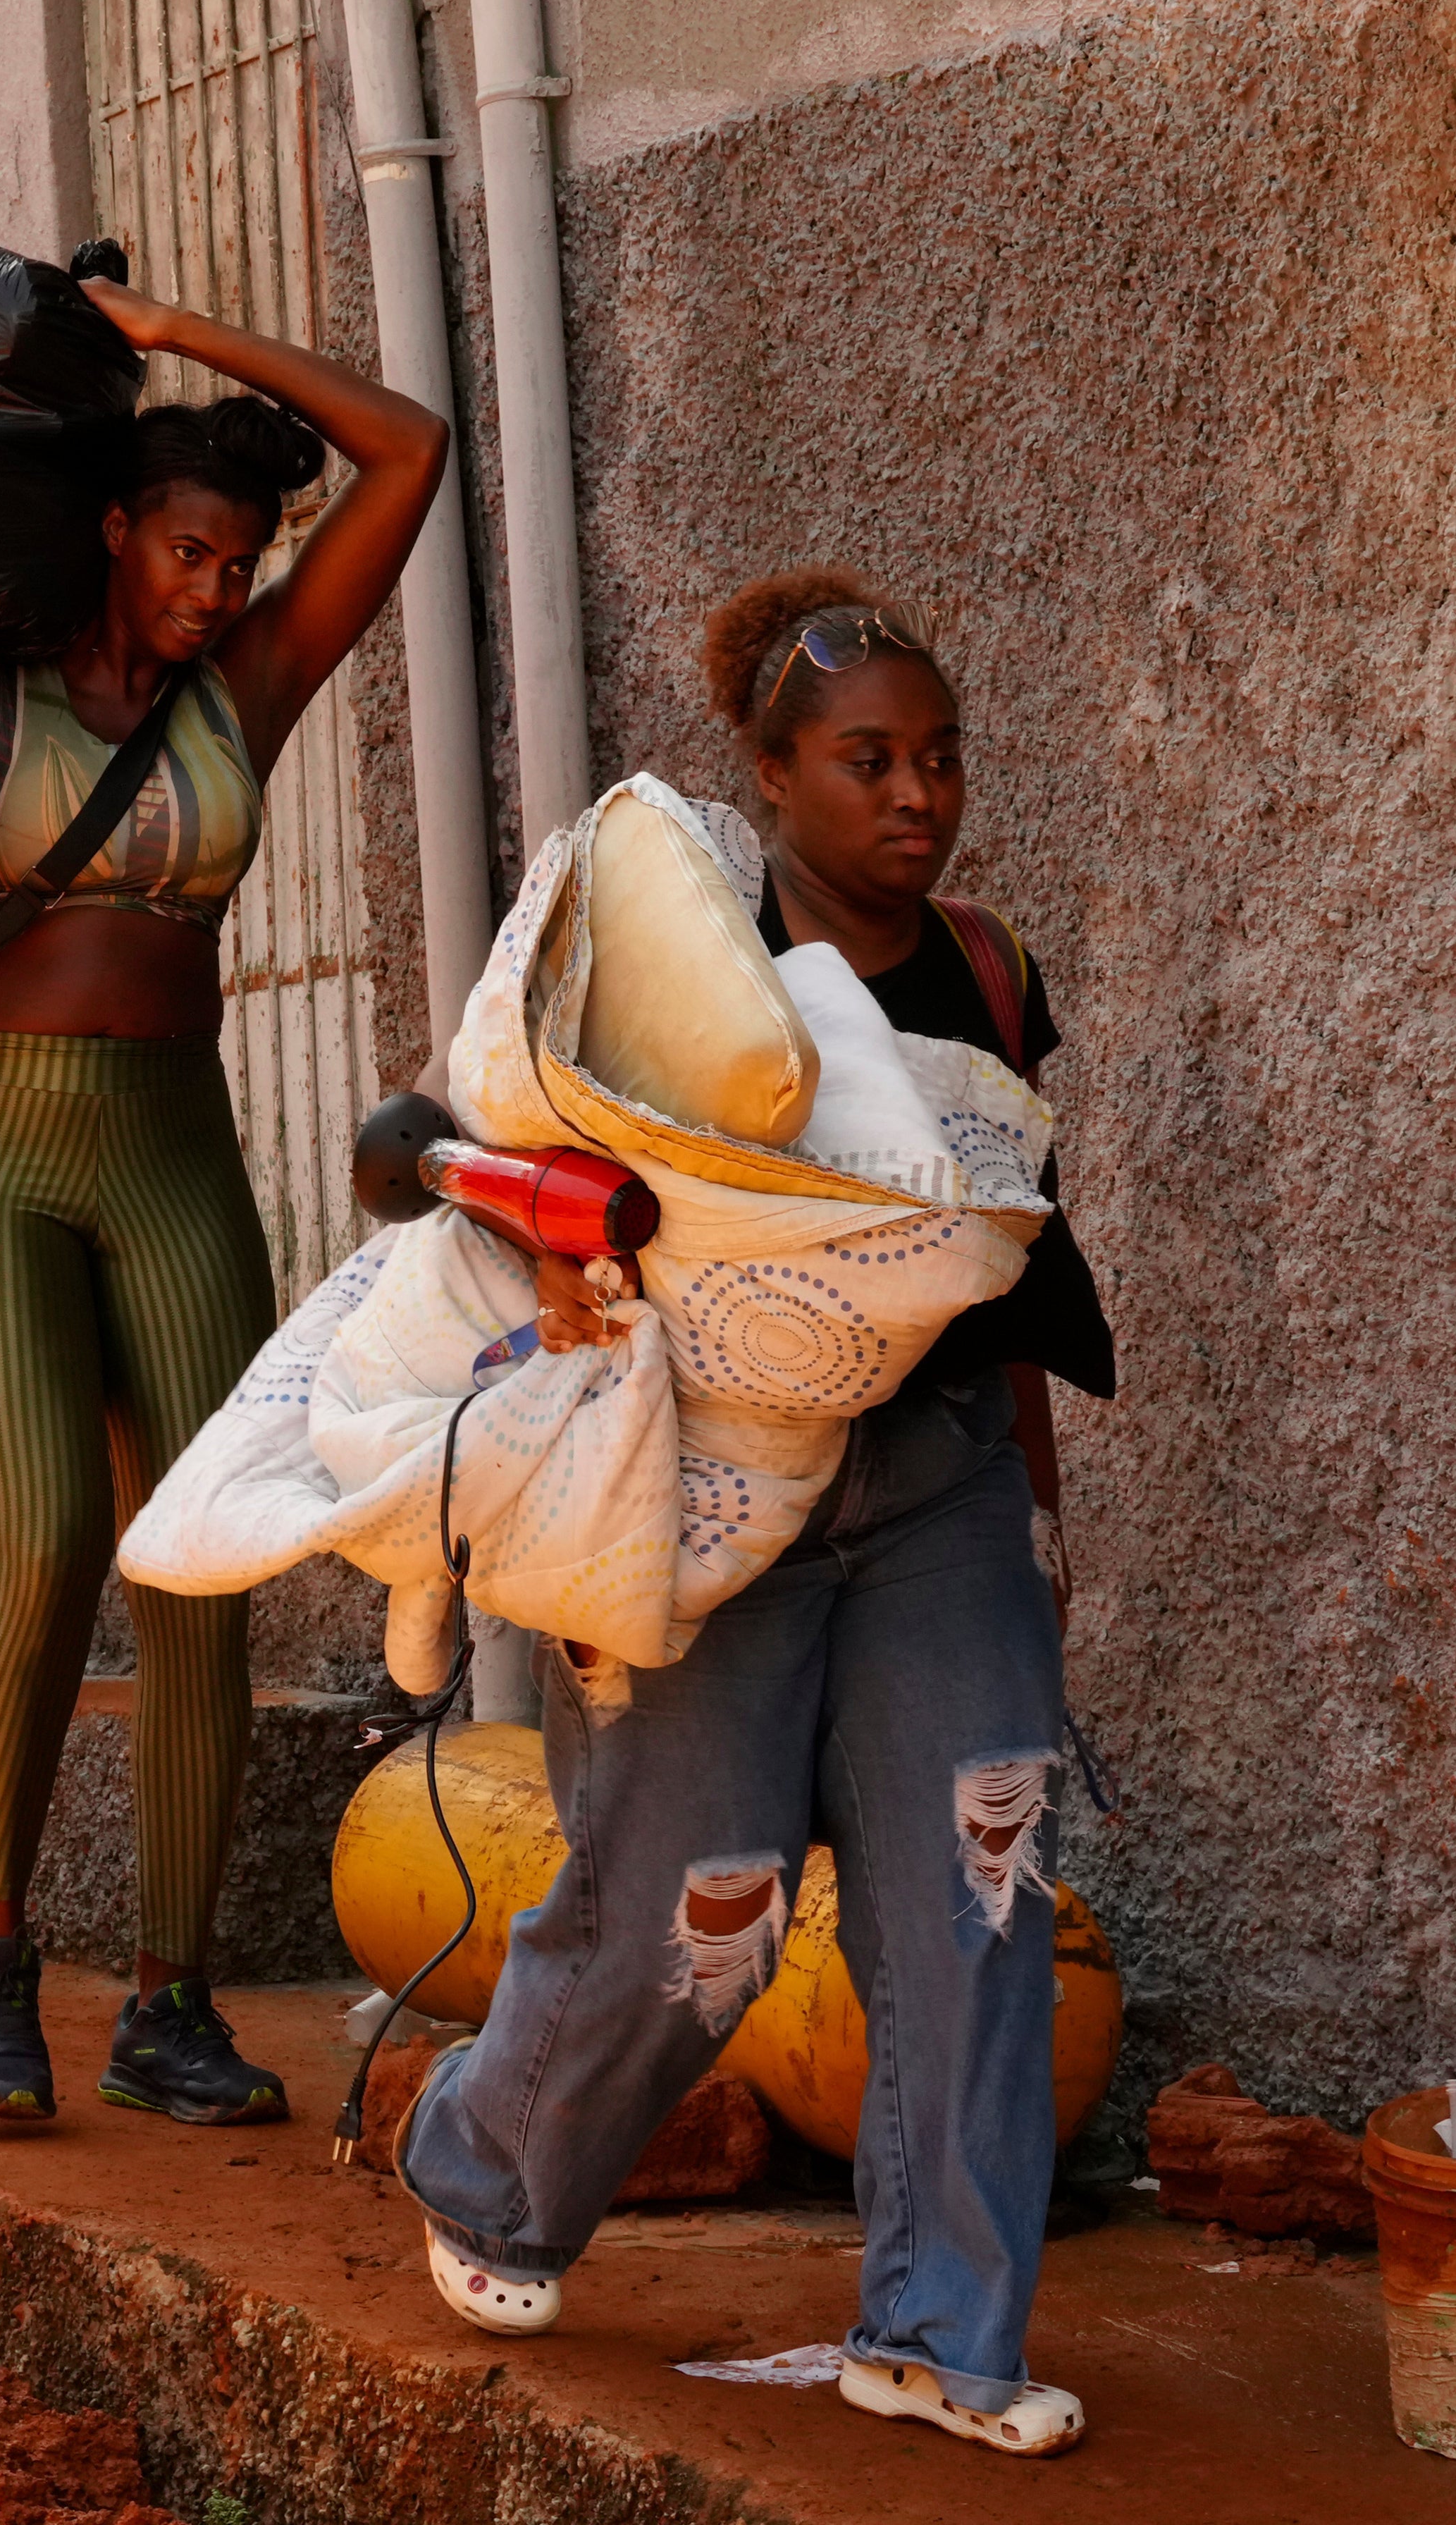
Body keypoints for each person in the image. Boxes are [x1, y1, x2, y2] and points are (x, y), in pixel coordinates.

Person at [395, 571, 1119, 2460]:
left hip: (937, 1491)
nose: (918, 797)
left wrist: (1028, 1512)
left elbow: (996, 1250)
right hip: (714, 1503)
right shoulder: (670, 957)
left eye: (941, 759)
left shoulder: (987, 968)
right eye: (868, 761)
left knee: (979, 1886)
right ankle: (485, 2164)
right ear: (772, 775)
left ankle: (941, 2332)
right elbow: (497, 1175)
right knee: (695, 1924)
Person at [0, 275, 445, 2127]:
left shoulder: (240, 690)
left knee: (213, 1566)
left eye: (238, 563)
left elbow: (405, 449)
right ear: (111, 535)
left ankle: (169, 1999)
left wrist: (183, 328)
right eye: (184, 551)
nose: (215, 593)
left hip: (174, 1143)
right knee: (44, 1541)